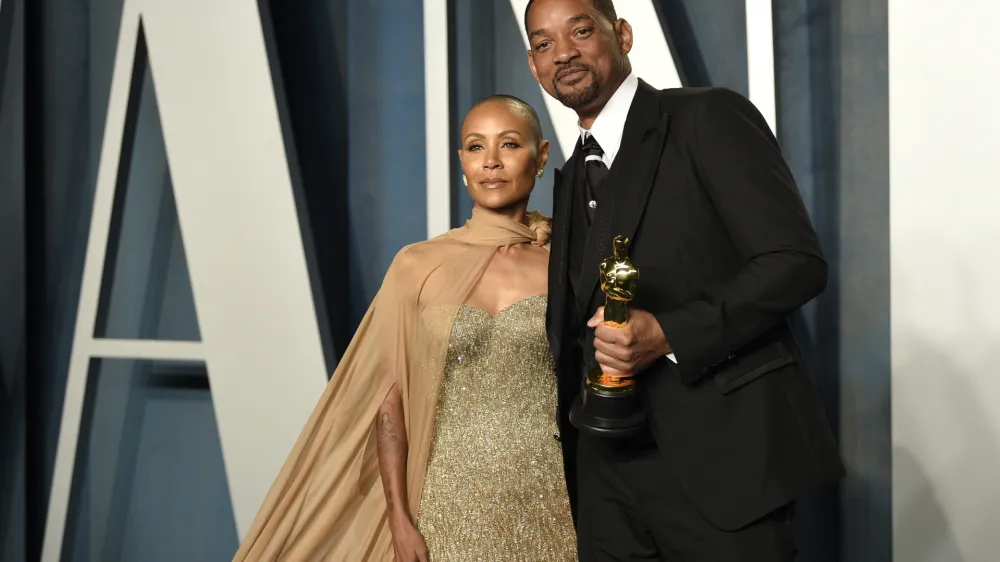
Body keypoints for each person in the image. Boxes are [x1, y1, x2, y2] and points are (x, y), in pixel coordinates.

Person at [524, 0, 846, 559]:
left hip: (724, 463)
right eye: (544, 43)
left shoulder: (708, 116)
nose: (565, 53)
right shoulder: (573, 172)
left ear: (622, 34)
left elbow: (794, 261)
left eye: (581, 30)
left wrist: (669, 332)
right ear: (533, 65)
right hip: (606, 476)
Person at [232, 95, 577, 561]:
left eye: (509, 144)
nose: (491, 162)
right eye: (476, 148)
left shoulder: (566, 266)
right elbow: (388, 401)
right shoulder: (418, 265)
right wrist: (399, 515)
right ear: (462, 162)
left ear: (540, 157)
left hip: (551, 495)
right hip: (442, 500)